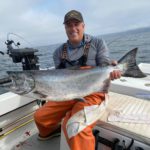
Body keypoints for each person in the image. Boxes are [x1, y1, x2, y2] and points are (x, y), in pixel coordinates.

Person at [34, 10, 121, 150]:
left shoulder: (98, 43)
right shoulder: (58, 52)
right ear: (65, 28)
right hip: (66, 92)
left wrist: (113, 68)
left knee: (74, 126)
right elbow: (58, 77)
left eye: (76, 24)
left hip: (94, 92)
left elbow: (104, 65)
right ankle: (52, 132)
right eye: (69, 25)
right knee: (40, 117)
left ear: (83, 25)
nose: (73, 28)